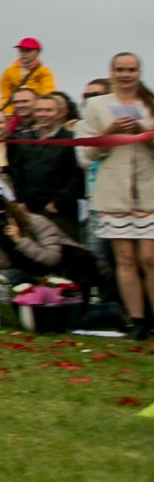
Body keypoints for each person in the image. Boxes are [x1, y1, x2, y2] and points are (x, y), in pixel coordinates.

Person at [78, 53, 154, 339]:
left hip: (148, 190)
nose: (126, 75)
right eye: (120, 70)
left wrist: (144, 133)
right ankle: (137, 320)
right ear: (111, 73)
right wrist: (110, 132)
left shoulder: (150, 103)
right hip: (114, 190)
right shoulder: (97, 105)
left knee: (149, 258)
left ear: (139, 72)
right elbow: (88, 153)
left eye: (131, 70)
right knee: (124, 258)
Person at [8, 93, 85, 242]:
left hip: (60, 210)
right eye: (39, 110)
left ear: (59, 113)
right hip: (31, 209)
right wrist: (21, 199)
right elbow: (17, 170)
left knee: (67, 253)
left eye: (48, 110)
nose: (43, 114)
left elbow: (76, 174)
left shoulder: (70, 138)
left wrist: (58, 203)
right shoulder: (24, 140)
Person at [0, 38, 55, 111]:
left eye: (28, 51)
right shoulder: (9, 71)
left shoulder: (44, 71)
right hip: (16, 111)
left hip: (36, 110)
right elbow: (5, 95)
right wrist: (8, 112)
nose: (24, 53)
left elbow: (48, 93)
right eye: (21, 51)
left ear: (37, 52)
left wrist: (41, 109)